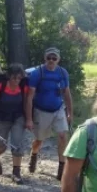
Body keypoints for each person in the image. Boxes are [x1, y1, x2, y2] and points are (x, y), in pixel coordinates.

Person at [26, 47, 73, 181]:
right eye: (49, 58)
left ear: (58, 59)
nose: (51, 60)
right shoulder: (37, 73)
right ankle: (34, 154)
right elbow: (29, 97)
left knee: (63, 136)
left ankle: (61, 169)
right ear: (45, 58)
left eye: (54, 58)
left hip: (58, 109)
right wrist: (29, 118)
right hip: (41, 110)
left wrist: (70, 113)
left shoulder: (62, 73)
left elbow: (67, 93)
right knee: (39, 140)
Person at [0, 64, 30, 184]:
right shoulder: (1, 86)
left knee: (17, 143)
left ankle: (16, 172)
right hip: (1, 118)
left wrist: (29, 119)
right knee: (0, 146)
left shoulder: (23, 86)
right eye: (14, 78)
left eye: (19, 78)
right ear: (9, 76)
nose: (16, 80)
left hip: (18, 117)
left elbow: (26, 103)